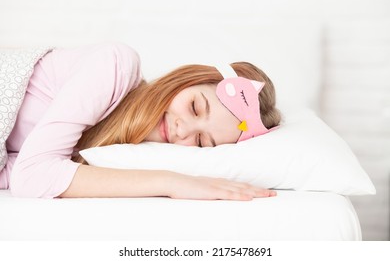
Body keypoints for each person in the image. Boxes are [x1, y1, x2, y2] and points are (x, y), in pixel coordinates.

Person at [0, 43, 281, 200]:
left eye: (200, 141)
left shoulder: (110, 153)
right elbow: (30, 178)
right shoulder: (115, 67)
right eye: (195, 107)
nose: (182, 130)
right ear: (188, 78)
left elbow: (16, 169)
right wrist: (171, 183)